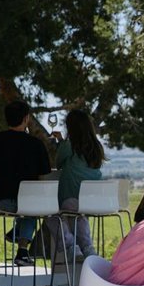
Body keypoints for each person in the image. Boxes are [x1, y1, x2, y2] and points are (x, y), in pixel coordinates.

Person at [0, 100, 51, 266]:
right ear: (26, 119)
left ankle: (16, 232)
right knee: (32, 209)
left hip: (4, 201)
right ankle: (22, 251)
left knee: (28, 208)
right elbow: (43, 176)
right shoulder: (36, 144)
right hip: (28, 202)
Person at [47, 109, 104, 260]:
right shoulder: (97, 147)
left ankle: (70, 246)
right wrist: (62, 142)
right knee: (78, 215)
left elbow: (58, 163)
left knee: (50, 213)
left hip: (71, 200)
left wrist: (60, 143)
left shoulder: (70, 145)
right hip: (93, 201)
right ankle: (87, 248)